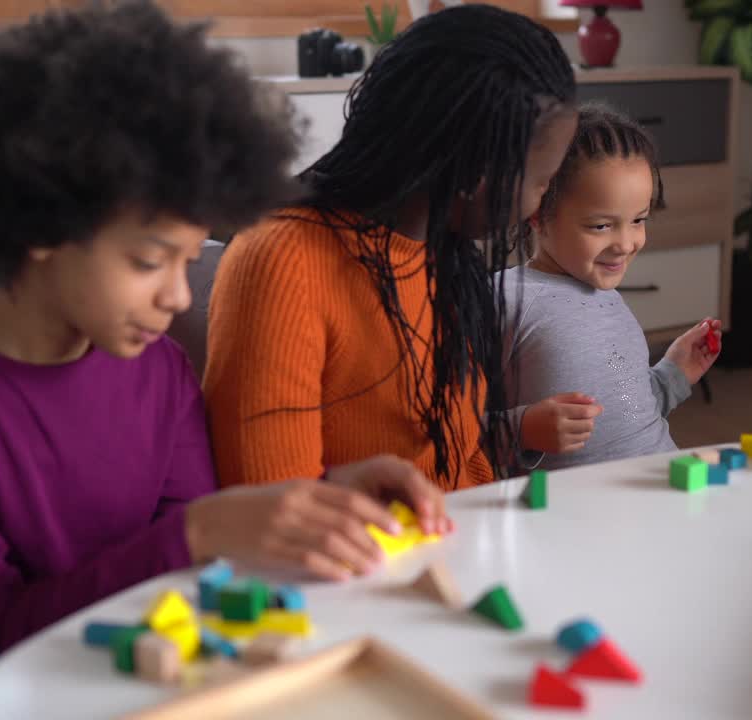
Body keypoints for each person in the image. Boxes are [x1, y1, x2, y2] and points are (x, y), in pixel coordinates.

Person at [0, 5, 449, 718]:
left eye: (187, 261)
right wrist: (207, 531)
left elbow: (194, 568)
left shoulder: (159, 370)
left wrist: (324, 501)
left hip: (137, 696)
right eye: (149, 261)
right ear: (39, 222)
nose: (178, 297)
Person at [203, 4, 578, 491]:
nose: (541, 202)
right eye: (542, 181)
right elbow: (273, 508)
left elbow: (461, 460)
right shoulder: (281, 261)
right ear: (471, 173)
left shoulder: (445, 252)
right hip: (366, 560)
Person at [500, 103, 721, 471]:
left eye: (638, 220)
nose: (626, 242)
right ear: (538, 213)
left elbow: (625, 410)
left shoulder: (610, 300)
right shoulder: (507, 298)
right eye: (601, 226)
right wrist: (520, 429)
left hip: (660, 483)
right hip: (579, 514)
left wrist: (673, 373)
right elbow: (450, 426)